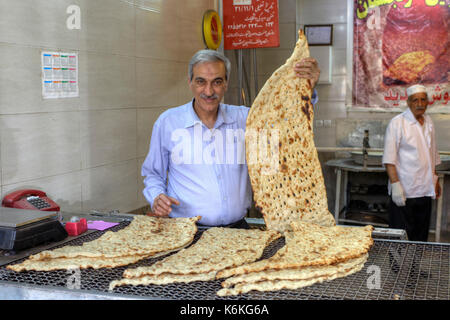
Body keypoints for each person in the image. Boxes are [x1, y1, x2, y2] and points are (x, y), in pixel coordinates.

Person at [141, 49, 320, 228]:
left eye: (217, 82)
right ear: (190, 83)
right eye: (201, 82)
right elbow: (153, 173)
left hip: (237, 230)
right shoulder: (169, 122)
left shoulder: (246, 119)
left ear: (226, 84)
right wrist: (156, 196)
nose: (209, 91)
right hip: (185, 230)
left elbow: (288, 126)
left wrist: (307, 90)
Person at [382, 84, 441, 242]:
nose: (420, 104)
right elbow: (389, 158)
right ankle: (397, 268)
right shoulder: (397, 123)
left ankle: (414, 267)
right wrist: (395, 185)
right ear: (408, 102)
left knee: (420, 235)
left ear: (428, 102)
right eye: (415, 100)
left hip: (425, 190)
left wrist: (435, 180)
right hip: (404, 191)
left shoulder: (428, 122)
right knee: (399, 234)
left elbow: (432, 153)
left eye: (423, 100)